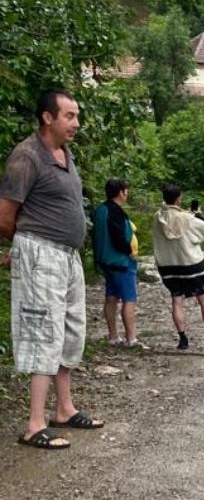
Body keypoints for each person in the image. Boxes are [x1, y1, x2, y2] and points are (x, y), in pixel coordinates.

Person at [0, 89, 104, 450]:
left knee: (70, 331)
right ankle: (33, 424)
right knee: (42, 332)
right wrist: (28, 247)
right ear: (48, 117)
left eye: (76, 116)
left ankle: (64, 408)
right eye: (69, 116)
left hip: (67, 256)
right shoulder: (26, 157)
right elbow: (5, 216)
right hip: (41, 255)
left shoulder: (65, 154)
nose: (76, 123)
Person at [151, 185, 204, 350]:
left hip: (169, 267)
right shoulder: (187, 218)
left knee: (177, 302)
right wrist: (198, 215)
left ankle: (183, 339)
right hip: (191, 266)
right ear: (179, 198)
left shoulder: (157, 218)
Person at [92, 178, 143, 347]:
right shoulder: (116, 211)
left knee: (111, 297)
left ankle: (113, 336)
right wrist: (129, 250)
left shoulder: (100, 210)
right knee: (129, 298)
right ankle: (131, 338)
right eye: (126, 191)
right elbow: (118, 236)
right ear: (121, 192)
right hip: (120, 261)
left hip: (105, 261)